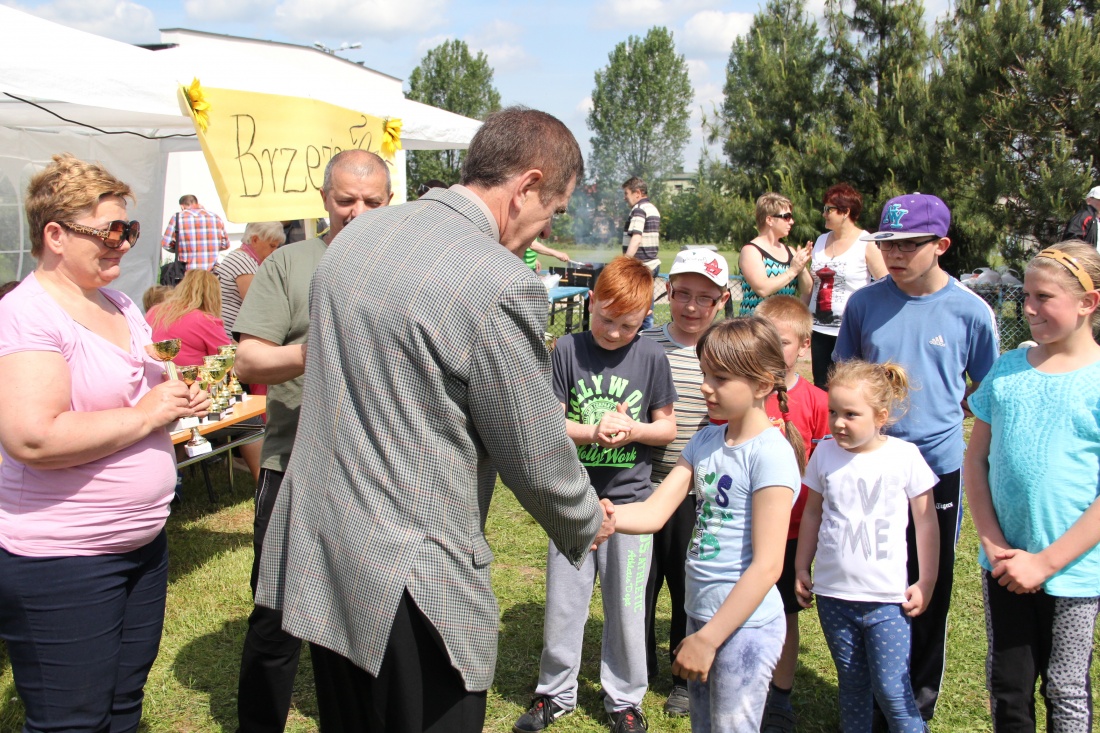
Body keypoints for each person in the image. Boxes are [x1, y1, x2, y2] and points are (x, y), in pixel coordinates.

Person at [252, 107, 615, 733]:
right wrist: (586, 517)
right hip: (412, 574)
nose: (546, 227)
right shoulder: (497, 279)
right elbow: (530, 446)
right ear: (527, 186)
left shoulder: (358, 236)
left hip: (323, 547)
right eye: (553, 210)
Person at [0, 153, 208, 733]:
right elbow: (33, 437)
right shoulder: (27, 315)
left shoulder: (117, 303)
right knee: (71, 721)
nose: (124, 243)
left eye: (130, 229)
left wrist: (175, 396)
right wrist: (147, 415)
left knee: (121, 704)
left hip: (138, 545)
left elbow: (140, 392)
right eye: (110, 231)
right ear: (55, 235)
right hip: (63, 559)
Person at [232, 148, 393, 733]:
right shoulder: (290, 263)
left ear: (390, 201)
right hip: (295, 463)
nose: (357, 211)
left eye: (371, 201)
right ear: (324, 199)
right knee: (276, 615)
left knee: (364, 613)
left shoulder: (407, 266)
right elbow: (248, 358)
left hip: (379, 471)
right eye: (345, 199)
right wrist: (320, 344)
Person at [834, 192, 999, 729]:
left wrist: (950, 412)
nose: (896, 254)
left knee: (929, 584)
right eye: (888, 243)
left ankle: (914, 705)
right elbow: (845, 380)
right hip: (870, 468)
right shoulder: (864, 305)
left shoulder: (971, 311)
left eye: (910, 244)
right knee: (872, 579)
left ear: (941, 245)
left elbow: (987, 387)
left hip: (937, 470)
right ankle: (870, 697)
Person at [611, 317, 804, 733]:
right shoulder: (704, 442)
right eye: (704, 374)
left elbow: (768, 566)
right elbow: (654, 512)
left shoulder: (770, 455)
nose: (704, 387)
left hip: (744, 627)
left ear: (763, 384)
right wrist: (600, 516)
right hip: (701, 615)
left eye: (720, 378)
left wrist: (708, 638)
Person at [516, 256, 677, 733]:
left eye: (628, 325)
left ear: (645, 318)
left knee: (628, 607)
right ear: (590, 302)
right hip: (572, 500)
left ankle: (625, 699)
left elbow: (666, 427)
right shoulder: (566, 349)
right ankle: (554, 692)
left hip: (631, 505)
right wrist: (592, 431)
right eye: (606, 318)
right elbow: (550, 423)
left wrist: (634, 429)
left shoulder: (652, 357)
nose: (614, 332)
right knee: (564, 605)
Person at [964, 242, 1100, 732]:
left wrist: (1045, 563)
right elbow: (976, 459)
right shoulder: (1008, 368)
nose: (1028, 308)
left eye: (1044, 297)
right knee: (1008, 685)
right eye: (1025, 295)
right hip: (1003, 564)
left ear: (1088, 303)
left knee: (1065, 690)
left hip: (1073, 572)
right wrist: (992, 541)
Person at [795, 360, 939, 733]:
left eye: (851, 414)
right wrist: (801, 566)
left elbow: (926, 522)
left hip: (887, 601)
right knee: (853, 686)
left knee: (892, 691)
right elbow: (812, 513)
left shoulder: (904, 456)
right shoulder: (824, 454)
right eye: (833, 412)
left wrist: (926, 581)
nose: (839, 423)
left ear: (881, 417)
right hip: (834, 598)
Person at [640, 248, 731, 718]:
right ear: (667, 292)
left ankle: (682, 674)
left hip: (698, 493)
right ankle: (637, 664)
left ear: (722, 300)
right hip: (642, 485)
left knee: (687, 584)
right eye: (683, 295)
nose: (692, 307)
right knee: (639, 584)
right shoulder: (643, 343)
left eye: (705, 298)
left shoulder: (725, 352)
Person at [753, 295, 830, 733]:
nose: (770, 348)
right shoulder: (745, 394)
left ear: (803, 345)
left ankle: (779, 696)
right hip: (746, 525)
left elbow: (826, 469)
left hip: (794, 530)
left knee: (784, 614)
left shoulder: (818, 401)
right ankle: (741, 680)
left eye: (780, 341)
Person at [807, 184, 887, 388]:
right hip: (819, 329)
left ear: (845, 212)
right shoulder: (820, 240)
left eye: (829, 209)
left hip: (850, 331)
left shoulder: (865, 242)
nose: (824, 214)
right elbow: (812, 285)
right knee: (821, 387)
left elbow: (885, 284)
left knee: (848, 387)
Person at [739, 193, 812, 316]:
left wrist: (802, 266)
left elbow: (807, 289)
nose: (792, 222)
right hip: (756, 325)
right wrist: (793, 270)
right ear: (769, 220)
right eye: (786, 217)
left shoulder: (790, 251)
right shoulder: (751, 251)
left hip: (785, 323)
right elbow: (762, 289)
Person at [216, 221, 286, 340]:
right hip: (229, 337)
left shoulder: (241, 257)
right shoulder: (243, 261)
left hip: (228, 333)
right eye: (272, 246)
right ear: (255, 240)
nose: (274, 251)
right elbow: (257, 304)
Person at [146, 269, 230, 366]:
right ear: (214, 296)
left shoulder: (154, 311)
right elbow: (228, 360)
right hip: (189, 375)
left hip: (153, 372)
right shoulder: (207, 321)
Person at [622, 177, 661, 330]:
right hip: (652, 265)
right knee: (646, 307)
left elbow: (636, 238)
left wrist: (624, 262)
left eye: (626, 193)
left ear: (637, 193)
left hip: (641, 266)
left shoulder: (639, 209)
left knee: (639, 310)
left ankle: (642, 339)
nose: (625, 198)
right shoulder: (652, 208)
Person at [160, 194, 230, 271]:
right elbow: (225, 245)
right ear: (197, 203)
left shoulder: (178, 217)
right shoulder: (215, 217)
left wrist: (180, 248)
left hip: (187, 272)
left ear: (182, 206)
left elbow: (166, 244)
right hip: (210, 272)